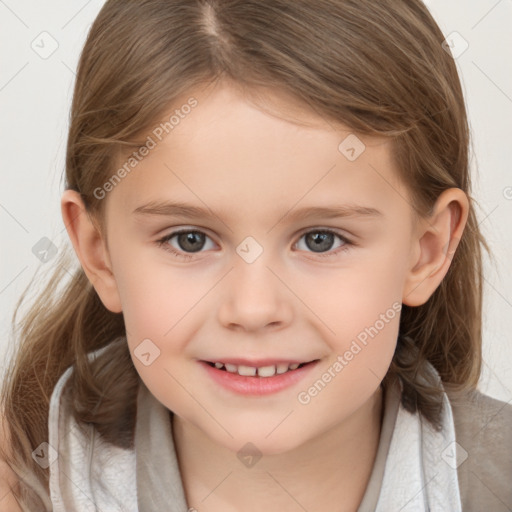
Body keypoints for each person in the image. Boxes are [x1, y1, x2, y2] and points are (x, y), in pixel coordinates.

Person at [1, 1, 511, 511]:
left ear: (428, 250)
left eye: (320, 240)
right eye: (189, 240)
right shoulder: (22, 483)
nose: (252, 308)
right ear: (101, 254)